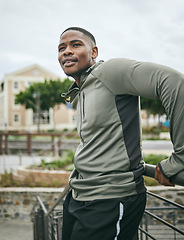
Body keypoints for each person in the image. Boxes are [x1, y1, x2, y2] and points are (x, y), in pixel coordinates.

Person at [58, 27, 184, 240]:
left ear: (94, 52)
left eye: (76, 44)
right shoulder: (79, 93)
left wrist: (180, 158)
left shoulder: (110, 72)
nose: (66, 51)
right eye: (61, 48)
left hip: (111, 199)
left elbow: (173, 82)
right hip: (78, 195)